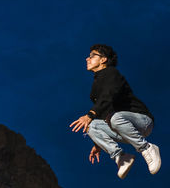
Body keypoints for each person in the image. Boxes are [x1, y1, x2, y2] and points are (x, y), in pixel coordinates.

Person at [69, 44, 161, 179]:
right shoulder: (95, 89)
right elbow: (101, 112)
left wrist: (89, 114)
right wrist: (98, 142)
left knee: (113, 118)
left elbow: (109, 94)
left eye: (92, 56)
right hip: (122, 128)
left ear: (103, 59)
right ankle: (122, 158)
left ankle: (146, 148)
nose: (87, 59)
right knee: (91, 126)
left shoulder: (111, 73)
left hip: (142, 121)